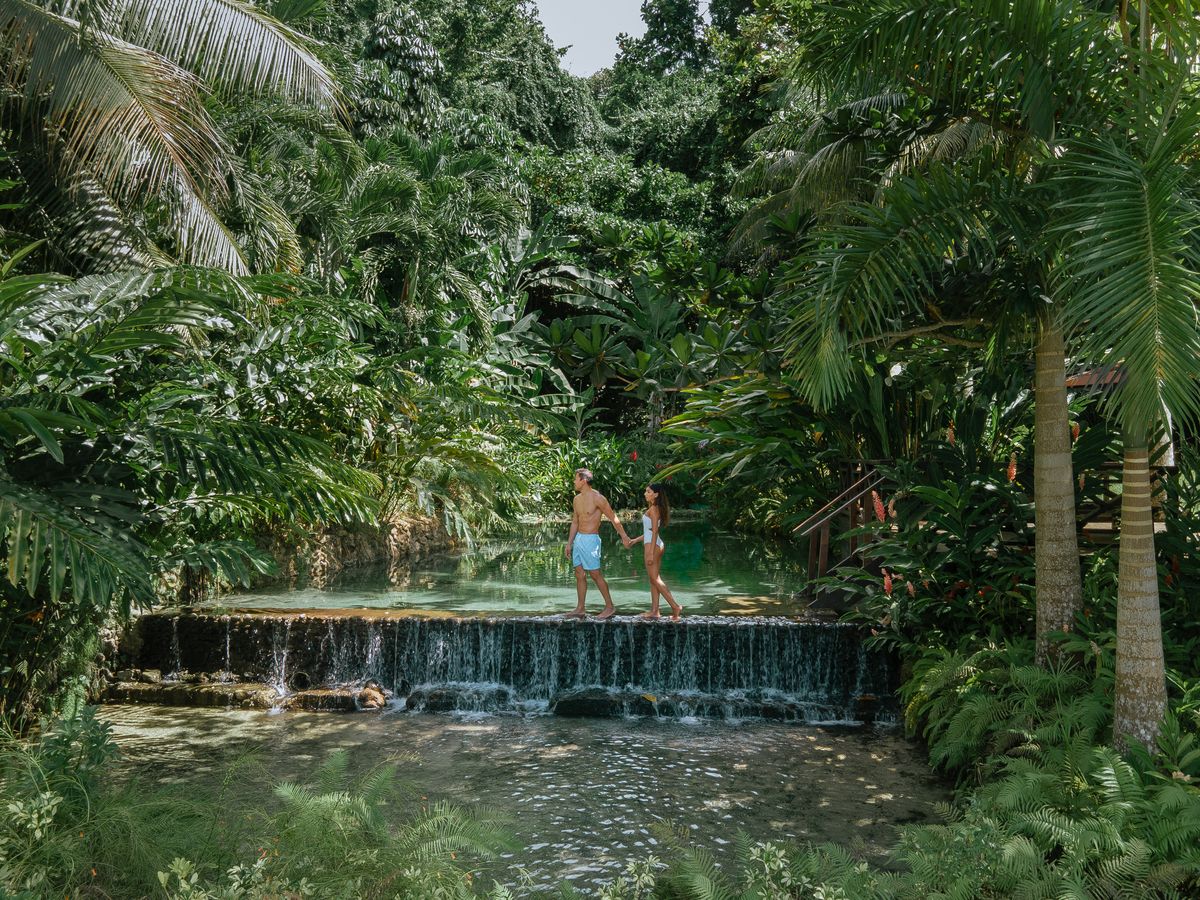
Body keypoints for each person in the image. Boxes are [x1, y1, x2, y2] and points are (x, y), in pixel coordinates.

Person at [564, 468, 632, 620]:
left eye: (576, 479)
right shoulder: (576, 499)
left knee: (595, 574)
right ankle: (580, 608)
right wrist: (569, 543)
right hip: (579, 539)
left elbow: (613, 518)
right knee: (579, 574)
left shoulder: (598, 498)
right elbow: (575, 521)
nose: (574, 482)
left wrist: (624, 537)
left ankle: (609, 606)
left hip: (591, 539)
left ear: (584, 480)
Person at [623, 482, 682, 620]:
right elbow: (649, 531)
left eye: (648, 491)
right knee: (653, 579)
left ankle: (675, 606)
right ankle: (655, 611)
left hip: (653, 546)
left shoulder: (654, 509)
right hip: (654, 544)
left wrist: (649, 553)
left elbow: (655, 531)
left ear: (656, 494)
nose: (645, 494)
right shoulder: (654, 508)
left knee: (655, 579)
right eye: (646, 491)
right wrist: (635, 540)